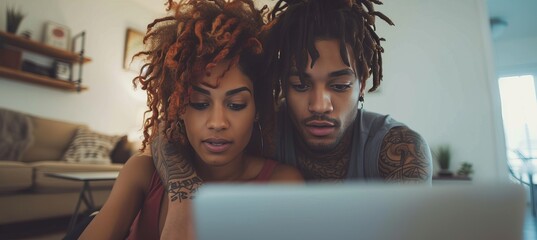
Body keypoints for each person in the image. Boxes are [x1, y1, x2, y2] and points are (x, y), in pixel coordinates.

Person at [78, 0, 303, 239]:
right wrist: (183, 201)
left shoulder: (282, 184)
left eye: (236, 105)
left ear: (258, 108)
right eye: (199, 103)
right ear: (178, 107)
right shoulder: (142, 173)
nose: (217, 122)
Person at [153, 0, 432, 186]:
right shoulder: (265, 129)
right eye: (300, 85)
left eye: (339, 86)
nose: (319, 105)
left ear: (362, 84)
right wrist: (183, 199)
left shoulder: (399, 149)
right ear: (281, 84)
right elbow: (166, 133)